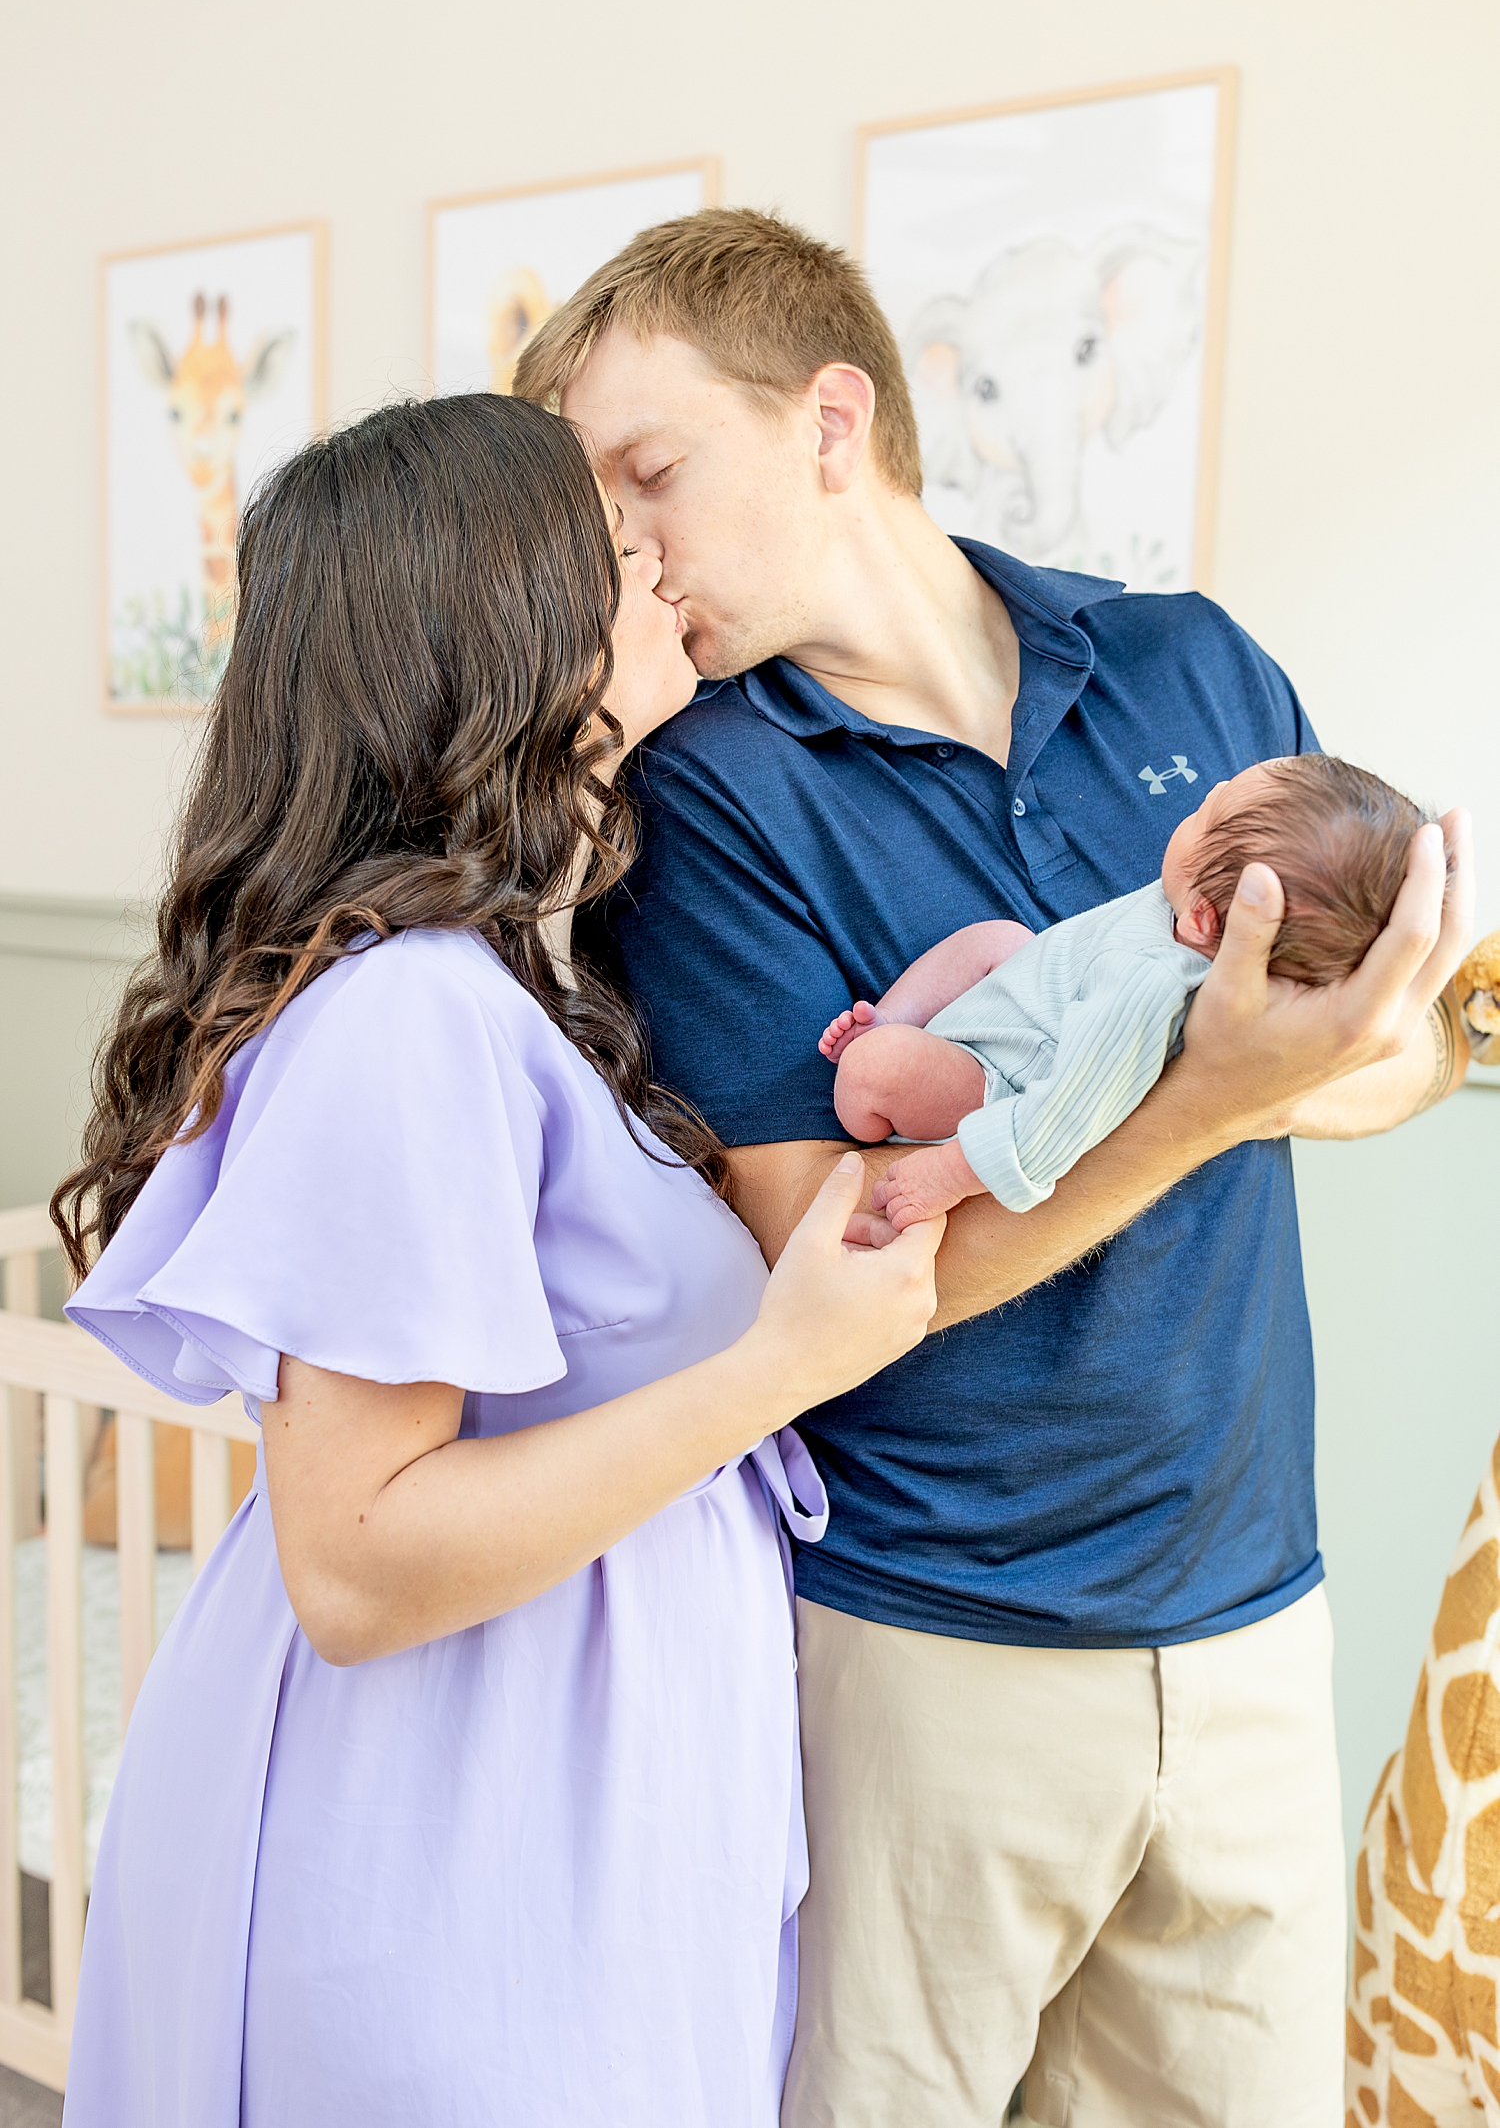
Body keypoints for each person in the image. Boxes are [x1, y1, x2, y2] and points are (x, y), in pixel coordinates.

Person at [513, 207, 1474, 2128]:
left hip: (1254, 1624)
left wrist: (1272, 1073)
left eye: (649, 473)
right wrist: (1206, 1093)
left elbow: (1420, 1054)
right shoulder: (703, 799)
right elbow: (845, 1274)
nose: (629, 551)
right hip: (925, 1650)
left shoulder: (1195, 671)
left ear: (831, 422)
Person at [51, 394, 943, 2128]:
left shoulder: (507, 983)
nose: (662, 564)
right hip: (447, 1842)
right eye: (620, 552)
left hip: (556, 1807)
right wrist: (781, 1369)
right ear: (515, 617)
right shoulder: (414, 1015)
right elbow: (360, 1567)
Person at [822, 753, 1425, 1231]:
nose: (1207, 793)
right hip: (1021, 1008)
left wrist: (949, 1174)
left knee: (873, 1067)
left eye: (1208, 818)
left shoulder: (1150, 984)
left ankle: (883, 1053)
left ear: (1205, 923)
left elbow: (1061, 1118)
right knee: (1000, 938)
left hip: (1001, 1084)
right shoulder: (1196, 905)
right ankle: (890, 1017)